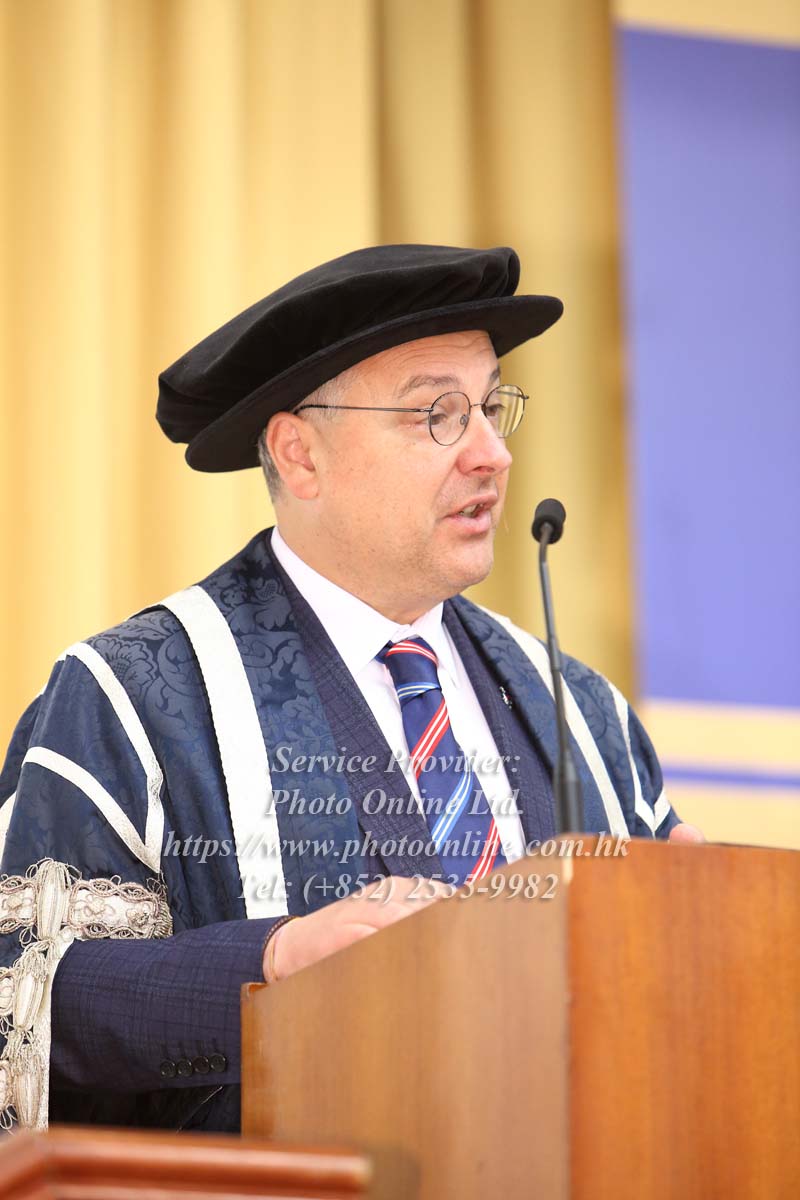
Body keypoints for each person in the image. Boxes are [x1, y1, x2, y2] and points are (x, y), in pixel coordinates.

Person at [0, 244, 701, 1136]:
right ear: (299, 455)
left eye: (492, 408)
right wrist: (273, 961)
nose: (492, 454)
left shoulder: (582, 712)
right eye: (437, 415)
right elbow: (27, 1001)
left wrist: (702, 930)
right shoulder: (134, 696)